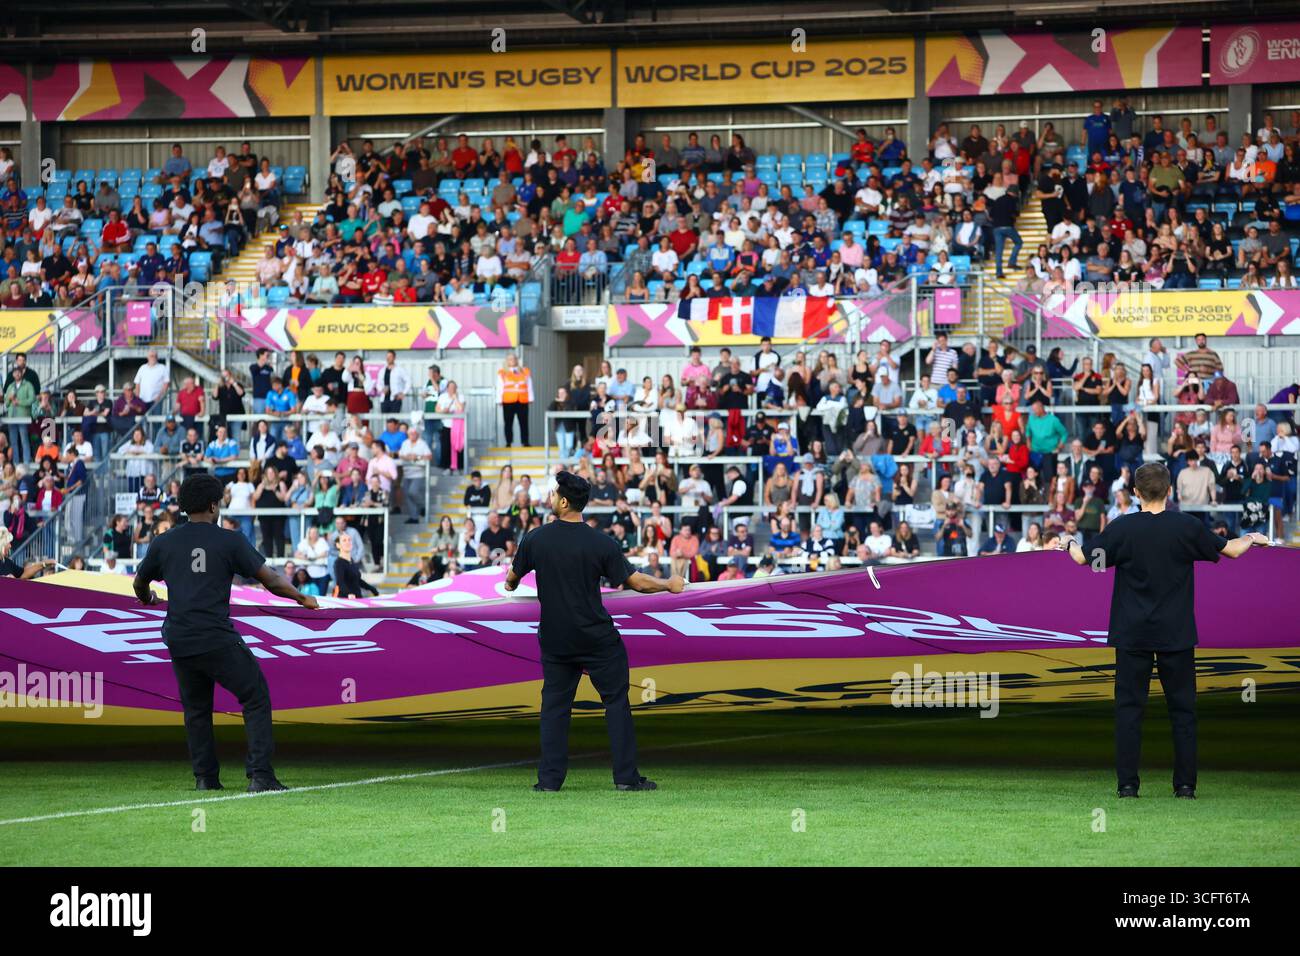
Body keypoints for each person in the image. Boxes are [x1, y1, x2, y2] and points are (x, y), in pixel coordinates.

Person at [1054, 462, 1269, 799]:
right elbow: (1233, 551)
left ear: (1135, 493)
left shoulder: (1122, 528)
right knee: (1183, 712)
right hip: (1177, 633)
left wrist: (1068, 542)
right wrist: (1255, 537)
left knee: (1129, 711)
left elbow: (1087, 561)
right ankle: (1185, 787)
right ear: (1170, 491)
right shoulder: (1187, 526)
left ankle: (1128, 786)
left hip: (1131, 633)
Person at [133, 473, 319, 793]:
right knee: (255, 696)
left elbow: (139, 583)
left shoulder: (164, 542)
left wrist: (148, 598)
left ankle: (206, 779)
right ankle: (260, 775)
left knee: (196, 709)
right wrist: (303, 598)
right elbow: (270, 580)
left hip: (179, 637)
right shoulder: (230, 540)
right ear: (213, 505)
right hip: (215, 636)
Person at [504, 471, 683, 792]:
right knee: (616, 703)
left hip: (556, 638)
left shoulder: (535, 538)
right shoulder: (602, 543)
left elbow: (511, 580)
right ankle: (626, 778)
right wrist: (669, 584)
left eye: (553, 494)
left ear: (562, 501)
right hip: (597, 637)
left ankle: (549, 782)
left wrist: (511, 580)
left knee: (554, 708)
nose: (549, 498)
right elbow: (635, 581)